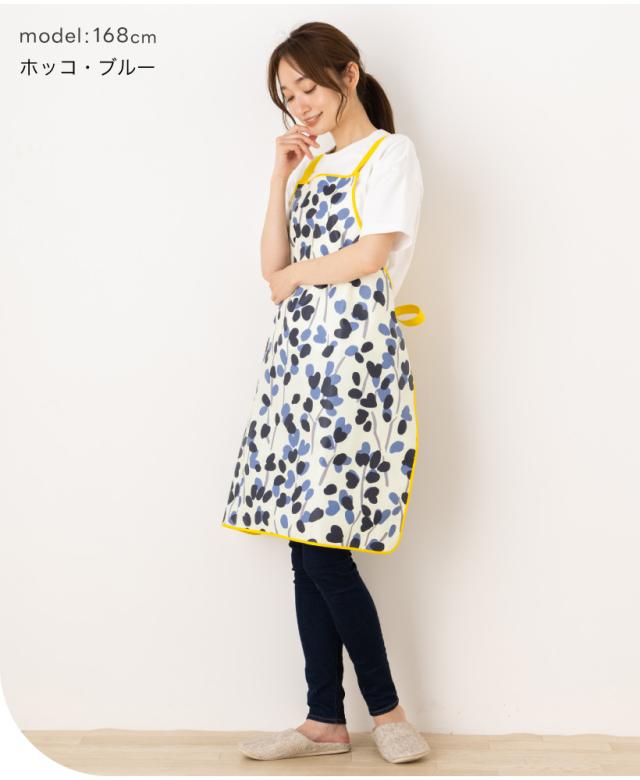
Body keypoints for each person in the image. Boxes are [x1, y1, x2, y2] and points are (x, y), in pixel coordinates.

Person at [223, 21, 430, 763]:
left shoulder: (390, 155)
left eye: (307, 86)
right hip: (296, 367)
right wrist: (279, 175)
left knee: (324, 550)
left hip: (352, 368)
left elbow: (371, 254)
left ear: (348, 73)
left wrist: (293, 278)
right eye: (287, 95)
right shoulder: (309, 167)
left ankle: (389, 713)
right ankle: (324, 721)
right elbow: (270, 265)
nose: (299, 104)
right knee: (303, 546)